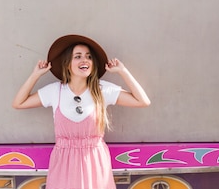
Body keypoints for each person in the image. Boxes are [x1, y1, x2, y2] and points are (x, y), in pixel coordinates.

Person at [12, 34, 151, 189]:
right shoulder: (55, 91)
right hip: (64, 164)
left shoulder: (102, 89)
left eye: (89, 57)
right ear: (67, 64)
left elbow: (142, 101)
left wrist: (123, 71)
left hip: (95, 161)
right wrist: (35, 75)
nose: (85, 60)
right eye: (78, 56)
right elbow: (19, 103)